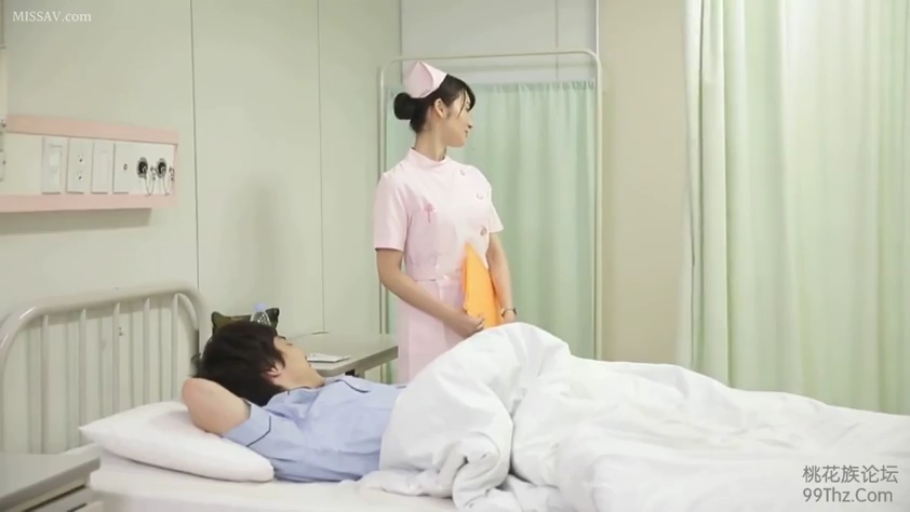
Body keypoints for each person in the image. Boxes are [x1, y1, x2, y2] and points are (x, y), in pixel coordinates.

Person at [373, 61, 517, 383]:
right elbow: (388, 272)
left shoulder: (473, 178)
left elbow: (494, 252)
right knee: (434, 404)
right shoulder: (398, 183)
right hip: (430, 328)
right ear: (439, 108)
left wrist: (508, 311)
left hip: (483, 319)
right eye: (465, 109)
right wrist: (452, 318)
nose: (471, 122)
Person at [181, 321, 403, 483]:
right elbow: (197, 392)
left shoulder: (331, 388)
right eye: (287, 344)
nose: (302, 352)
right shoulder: (291, 425)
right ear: (272, 366)